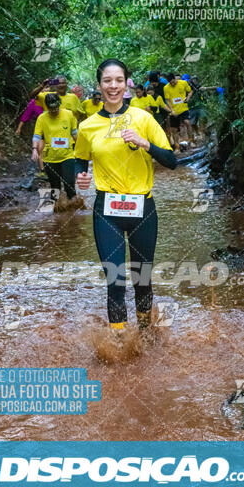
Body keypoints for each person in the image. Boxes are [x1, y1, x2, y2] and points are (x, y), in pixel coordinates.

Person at [74, 58, 177, 330]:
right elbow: (80, 158)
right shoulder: (87, 126)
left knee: (142, 279)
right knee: (115, 280)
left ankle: (145, 333)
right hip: (107, 210)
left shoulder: (143, 118)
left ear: (126, 84)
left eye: (118, 80)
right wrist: (80, 175)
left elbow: (171, 160)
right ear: (99, 85)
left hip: (142, 208)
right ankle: (119, 341)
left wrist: (146, 144)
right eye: (107, 81)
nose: (113, 86)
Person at [32, 92, 78, 200]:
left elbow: (75, 133)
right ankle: (55, 212)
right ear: (47, 107)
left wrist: (82, 149)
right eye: (51, 109)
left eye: (56, 108)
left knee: (69, 184)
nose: (54, 111)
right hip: (50, 157)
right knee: (54, 187)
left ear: (59, 104)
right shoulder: (42, 118)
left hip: (67, 155)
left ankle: (74, 209)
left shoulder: (69, 114)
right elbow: (37, 135)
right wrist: (34, 149)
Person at [16, 79, 52, 175]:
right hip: (40, 127)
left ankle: (53, 169)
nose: (46, 90)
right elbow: (26, 115)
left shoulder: (53, 99)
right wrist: (19, 128)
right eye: (44, 88)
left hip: (53, 127)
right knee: (40, 149)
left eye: (48, 88)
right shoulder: (34, 101)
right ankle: (43, 170)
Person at [163, 73, 193, 149]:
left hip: (183, 108)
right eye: (170, 83)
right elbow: (168, 100)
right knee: (174, 129)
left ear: (175, 79)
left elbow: (190, 91)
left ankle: (191, 141)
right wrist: (171, 110)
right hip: (174, 110)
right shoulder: (166, 88)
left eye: (173, 82)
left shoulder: (183, 83)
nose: (172, 84)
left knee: (187, 123)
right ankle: (177, 147)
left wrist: (188, 98)